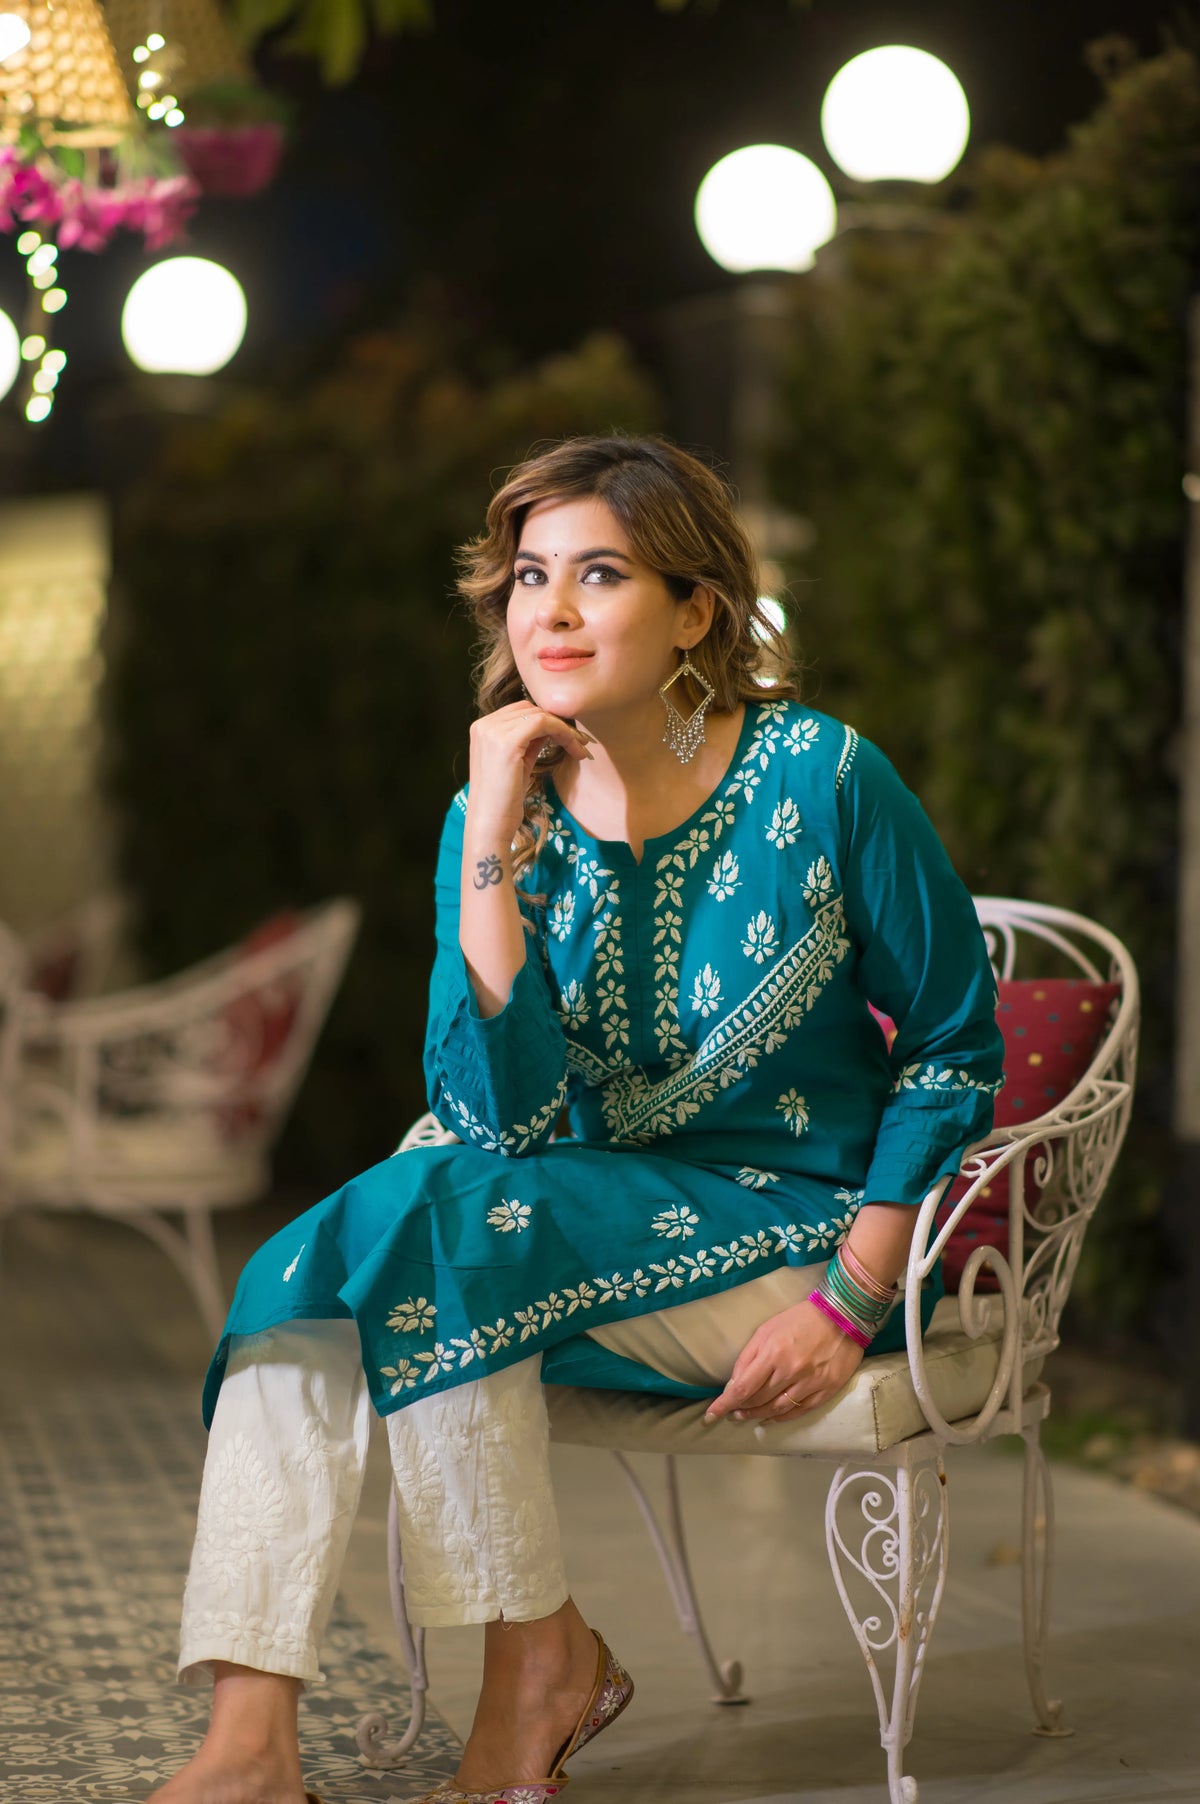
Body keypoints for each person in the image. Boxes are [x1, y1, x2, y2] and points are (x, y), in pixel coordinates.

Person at [148, 434, 1004, 1804]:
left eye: (597, 575)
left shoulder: (826, 778)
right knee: (320, 1277)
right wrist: (491, 823)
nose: (544, 611)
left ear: (695, 612)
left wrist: (851, 1297)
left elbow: (957, 1048)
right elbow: (499, 1113)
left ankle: (533, 1669)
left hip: (803, 1236)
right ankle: (252, 1747)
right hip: (549, 1214)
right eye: (526, 575)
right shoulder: (500, 815)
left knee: (416, 1237)